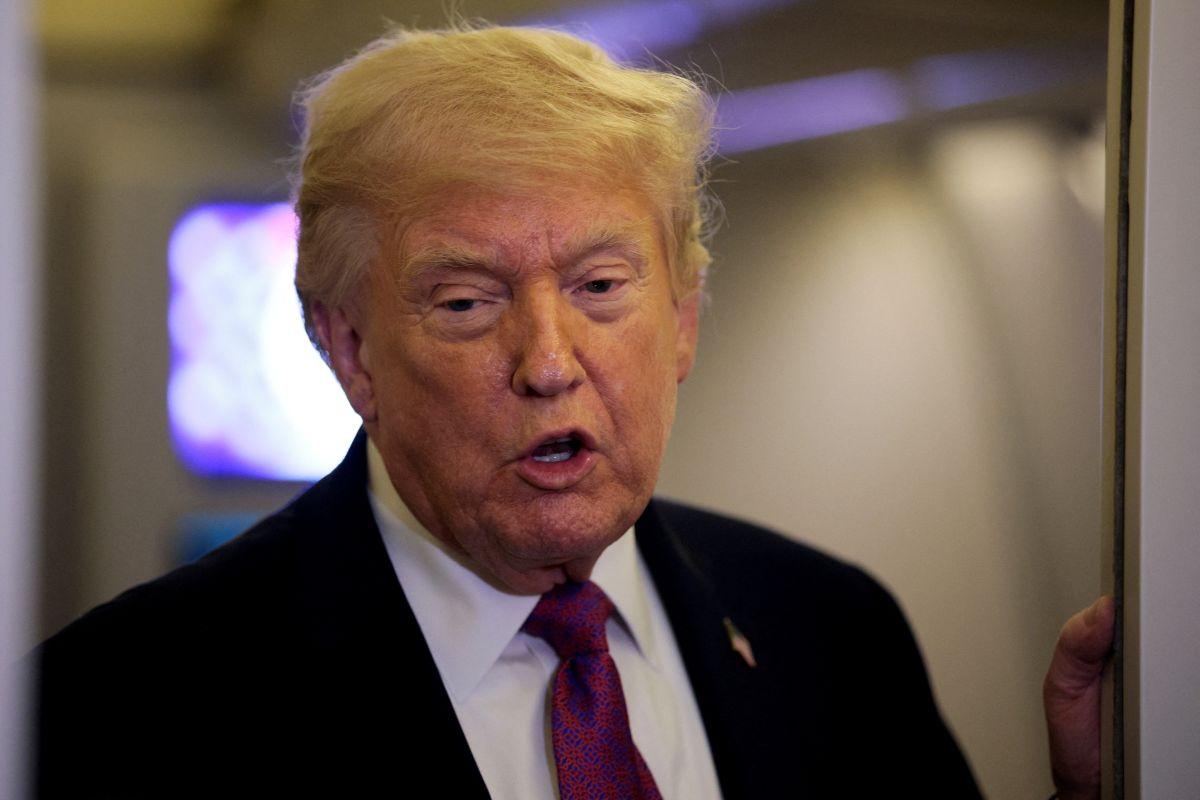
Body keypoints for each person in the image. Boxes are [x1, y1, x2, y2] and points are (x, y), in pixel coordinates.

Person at [33, 24, 1112, 799]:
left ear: (684, 317)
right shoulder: (119, 709)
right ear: (349, 347)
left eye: (602, 287)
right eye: (466, 302)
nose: (550, 363)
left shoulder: (832, 630)